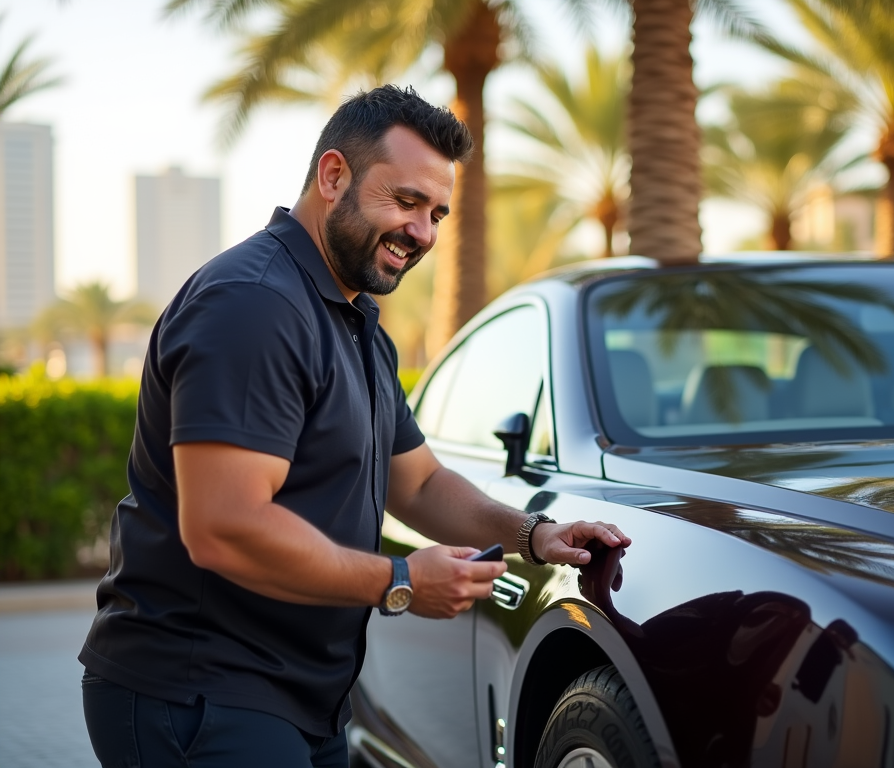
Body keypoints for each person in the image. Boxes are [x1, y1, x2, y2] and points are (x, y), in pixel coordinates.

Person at [79, 85, 629, 768]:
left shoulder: (355, 321)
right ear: (333, 175)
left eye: (436, 213)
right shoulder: (254, 306)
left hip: (303, 699)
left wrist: (532, 535)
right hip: (199, 695)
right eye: (404, 202)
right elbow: (222, 525)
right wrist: (398, 579)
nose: (424, 233)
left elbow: (420, 484)